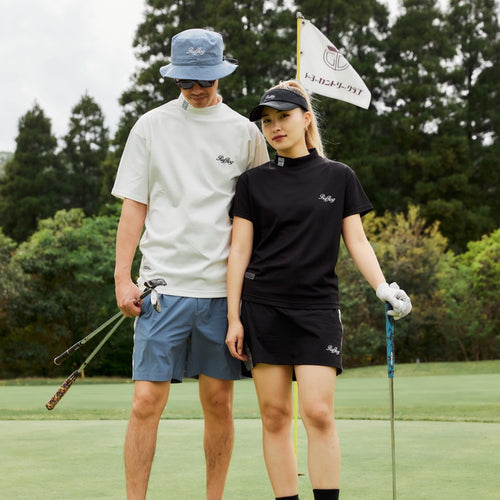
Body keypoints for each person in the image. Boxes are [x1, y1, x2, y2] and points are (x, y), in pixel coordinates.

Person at [225, 80, 412, 500]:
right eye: (267, 122)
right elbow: (238, 251)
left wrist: (383, 287)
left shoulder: (339, 176)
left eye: (284, 117)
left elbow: (357, 241)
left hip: (316, 311)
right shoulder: (252, 183)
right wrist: (234, 317)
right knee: (274, 417)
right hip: (262, 309)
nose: (275, 127)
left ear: (306, 119)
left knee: (319, 413)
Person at [112, 29, 269, 500]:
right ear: (174, 76)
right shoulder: (150, 126)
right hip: (161, 288)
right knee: (145, 402)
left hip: (224, 293)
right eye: (186, 81)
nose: (197, 89)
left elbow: (260, 214)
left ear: (221, 71)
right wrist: (123, 277)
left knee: (218, 401)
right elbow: (134, 206)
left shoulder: (245, 132)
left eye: (204, 79)